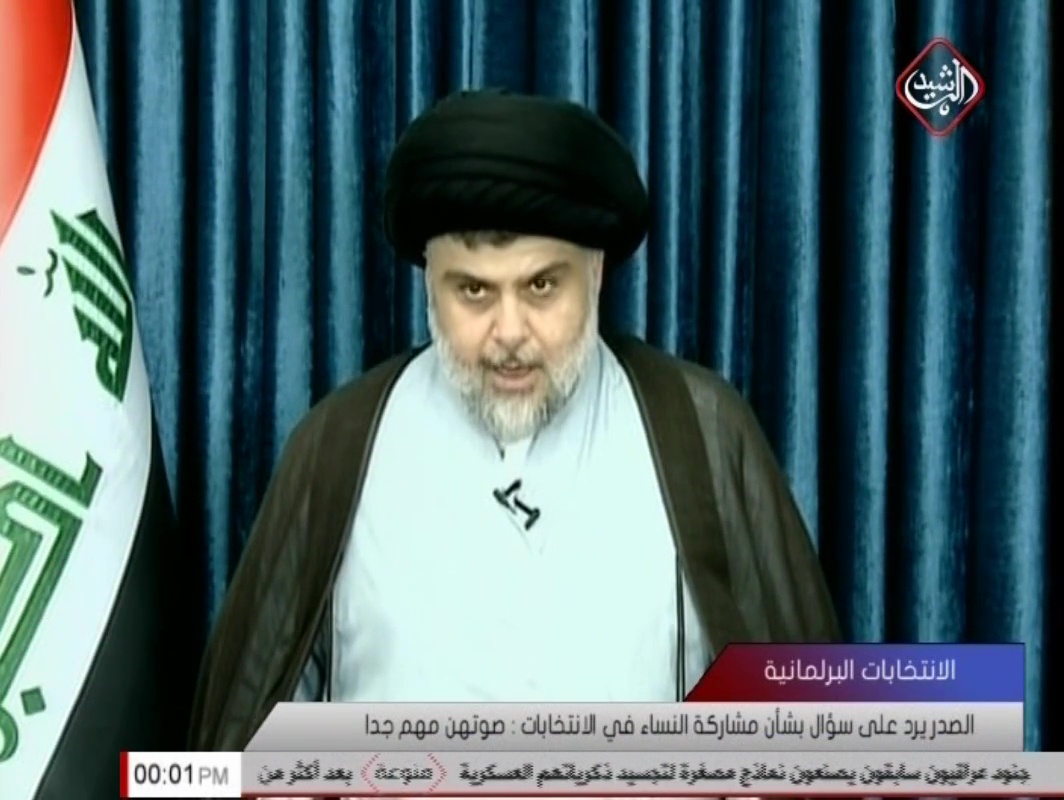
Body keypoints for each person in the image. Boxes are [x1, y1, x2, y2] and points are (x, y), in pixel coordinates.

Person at [188, 89, 840, 757]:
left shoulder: (700, 433)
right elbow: (245, 742)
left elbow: (811, 737)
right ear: (430, 283)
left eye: (541, 287)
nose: (508, 333)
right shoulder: (339, 445)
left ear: (595, 272)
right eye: (473, 290)